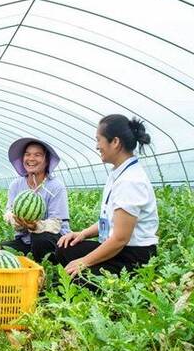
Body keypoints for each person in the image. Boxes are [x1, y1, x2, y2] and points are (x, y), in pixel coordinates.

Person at [56, 114, 158, 288]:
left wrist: (84, 262)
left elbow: (120, 238)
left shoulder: (130, 182)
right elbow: (111, 221)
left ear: (115, 142)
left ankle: (127, 285)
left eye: (99, 140)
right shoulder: (118, 173)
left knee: (77, 279)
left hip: (133, 257)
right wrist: (83, 233)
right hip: (118, 250)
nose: (97, 146)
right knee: (66, 248)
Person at [1, 138, 70, 262]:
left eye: (37, 155)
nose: (31, 159)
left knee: (40, 240)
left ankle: (48, 272)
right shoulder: (15, 185)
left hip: (54, 240)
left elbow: (56, 223)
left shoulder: (55, 186)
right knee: (2, 251)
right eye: (27, 154)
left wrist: (36, 225)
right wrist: (16, 220)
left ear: (46, 160)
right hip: (26, 240)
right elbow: (8, 212)